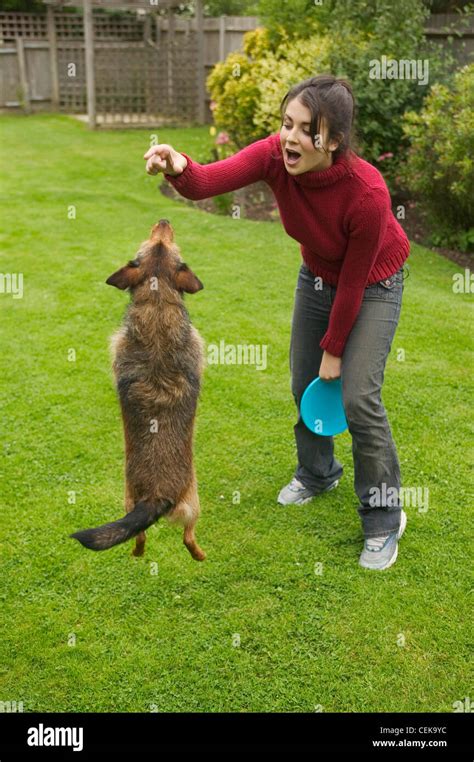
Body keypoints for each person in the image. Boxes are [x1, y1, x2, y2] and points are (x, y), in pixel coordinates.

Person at [143, 74, 410, 571]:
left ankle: (384, 515)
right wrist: (178, 165)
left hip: (375, 281)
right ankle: (317, 472)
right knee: (301, 380)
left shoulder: (367, 192)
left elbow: (354, 284)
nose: (290, 137)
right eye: (286, 123)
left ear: (333, 141)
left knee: (357, 396)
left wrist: (336, 350)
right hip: (317, 275)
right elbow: (209, 180)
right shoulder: (274, 156)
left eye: (305, 129)